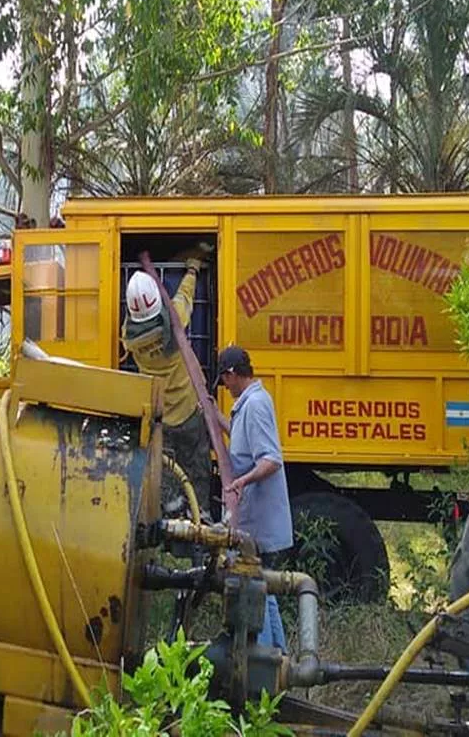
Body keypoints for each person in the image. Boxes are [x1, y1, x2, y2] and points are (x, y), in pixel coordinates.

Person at [213, 345, 293, 652]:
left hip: (259, 521)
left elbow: (270, 460)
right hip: (255, 519)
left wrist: (241, 481)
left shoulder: (256, 405)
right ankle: (279, 656)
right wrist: (216, 417)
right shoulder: (250, 403)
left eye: (224, 380)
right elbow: (243, 440)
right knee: (265, 591)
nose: (225, 387)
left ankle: (264, 660)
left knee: (256, 589)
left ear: (232, 374)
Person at [121, 254, 212, 519]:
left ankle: (172, 521)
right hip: (189, 411)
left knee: (168, 474)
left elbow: (129, 322)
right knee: (197, 466)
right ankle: (201, 515)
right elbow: (184, 298)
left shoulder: (130, 339)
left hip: (160, 417)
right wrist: (192, 270)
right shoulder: (176, 321)